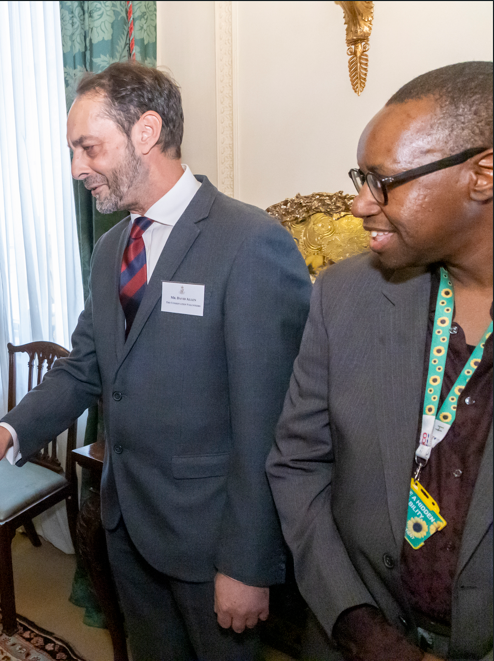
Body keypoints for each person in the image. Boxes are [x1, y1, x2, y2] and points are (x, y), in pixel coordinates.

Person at [0, 60, 311, 660]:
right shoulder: (110, 250)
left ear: (145, 132)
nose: (77, 169)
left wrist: (249, 562)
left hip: (212, 544)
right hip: (127, 526)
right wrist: (2, 437)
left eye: (88, 147)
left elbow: (270, 424)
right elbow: (84, 368)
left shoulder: (250, 243)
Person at [267, 62, 493, 661]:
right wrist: (356, 625)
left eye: (383, 180)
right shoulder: (344, 295)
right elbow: (296, 465)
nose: (360, 203)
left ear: (483, 173)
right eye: (359, 177)